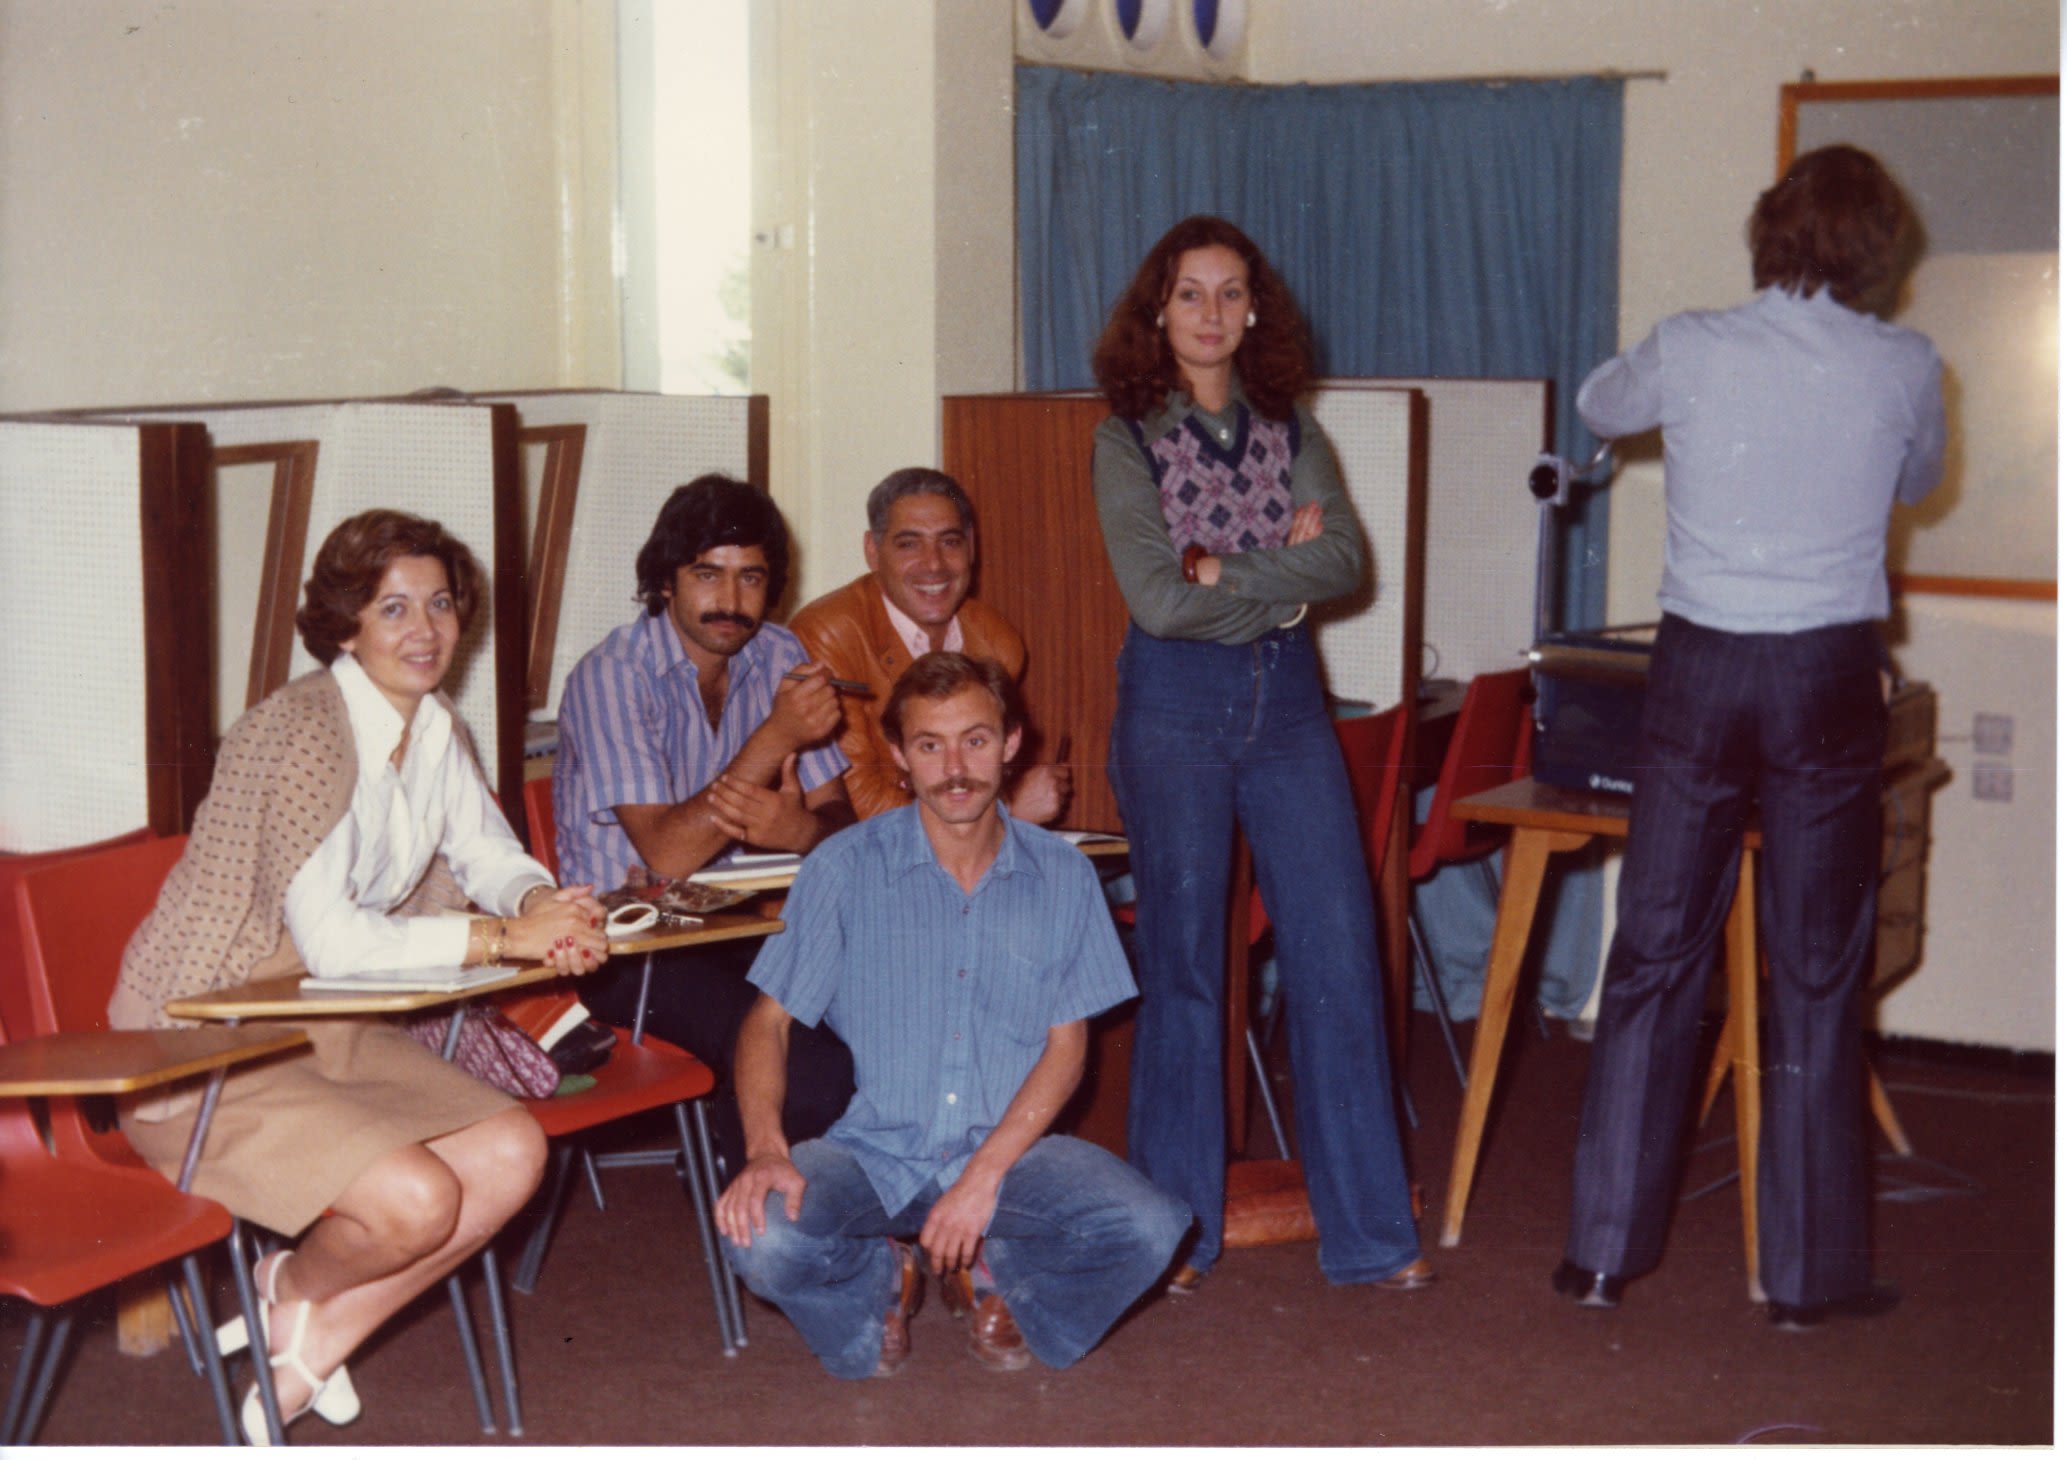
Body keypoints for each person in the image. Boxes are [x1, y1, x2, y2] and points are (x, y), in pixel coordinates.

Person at [109, 509, 609, 1442]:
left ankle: (307, 1336)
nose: (425, 631)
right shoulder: (298, 734)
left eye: (441, 605)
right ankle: (290, 1287)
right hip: (201, 1040)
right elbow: (336, 944)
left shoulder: (432, 723)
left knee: (511, 1154)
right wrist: (507, 940)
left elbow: (488, 851)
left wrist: (544, 907)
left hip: (328, 1024)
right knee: (418, 1201)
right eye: (393, 609)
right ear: (346, 625)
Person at [1553, 145, 1945, 1330]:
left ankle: (1603, 1256)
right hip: (1827, 671)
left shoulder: (1695, 342)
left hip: (1702, 667)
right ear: (1878, 249)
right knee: (1819, 969)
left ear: (1769, 229)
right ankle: (1808, 1280)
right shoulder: (1907, 362)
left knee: (1656, 949)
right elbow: (1917, 480)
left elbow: (1596, 407)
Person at [1089, 214, 1427, 1295]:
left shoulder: (1292, 423)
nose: (1212, 314)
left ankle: (1372, 1230)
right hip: (1172, 710)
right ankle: (1173, 1237)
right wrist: (1269, 583)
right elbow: (1152, 598)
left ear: (1254, 309)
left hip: (1287, 710)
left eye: (1232, 293)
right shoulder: (1124, 436)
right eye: (1191, 293)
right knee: (1187, 965)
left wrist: (1216, 574)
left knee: (1338, 954)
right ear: (1159, 308)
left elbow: (1343, 562)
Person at [716, 652, 1189, 1379]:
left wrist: (982, 1179)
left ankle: (1000, 1279)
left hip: (1009, 1155)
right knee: (762, 1239)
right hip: (868, 1152)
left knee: (1152, 1230)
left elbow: (1067, 1050)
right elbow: (766, 1022)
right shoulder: (842, 868)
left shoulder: (1063, 876)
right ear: (901, 758)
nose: (955, 767)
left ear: (1010, 744)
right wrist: (766, 1149)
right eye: (930, 746)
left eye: (974, 739)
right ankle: (880, 1285)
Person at [553, 474, 856, 1170]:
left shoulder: (777, 654)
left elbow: (843, 823)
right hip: (625, 948)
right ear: (666, 581)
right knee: (806, 1063)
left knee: (894, 1007)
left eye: (751, 577)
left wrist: (802, 832)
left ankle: (871, 1209)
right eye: (706, 575)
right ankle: (764, 1223)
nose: (729, 601)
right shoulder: (611, 675)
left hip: (738, 927)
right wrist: (773, 738)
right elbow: (664, 852)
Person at [789, 466, 1071, 824]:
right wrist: (1006, 814)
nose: (934, 564)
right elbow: (857, 805)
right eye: (909, 544)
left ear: (971, 546)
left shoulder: (998, 642)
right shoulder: (827, 636)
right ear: (872, 552)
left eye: (949, 542)